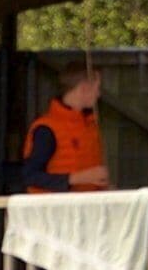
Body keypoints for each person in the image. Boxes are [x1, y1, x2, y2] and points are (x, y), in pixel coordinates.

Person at [19, 64, 111, 192]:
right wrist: (75, 178)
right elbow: (30, 176)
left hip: (87, 207)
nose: (98, 94)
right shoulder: (46, 129)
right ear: (84, 88)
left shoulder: (90, 125)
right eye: (97, 88)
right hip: (55, 208)